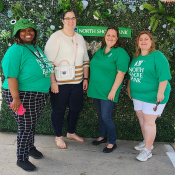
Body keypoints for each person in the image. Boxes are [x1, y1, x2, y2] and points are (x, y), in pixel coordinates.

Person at [2, 19, 53, 171]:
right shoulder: (16, 50)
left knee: (31, 124)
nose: (27, 33)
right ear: (17, 33)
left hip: (37, 95)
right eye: (23, 30)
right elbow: (11, 76)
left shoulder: (35, 48)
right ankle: (21, 158)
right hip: (21, 95)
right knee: (25, 126)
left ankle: (30, 147)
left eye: (30, 30)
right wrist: (16, 98)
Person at [44, 10, 89, 149]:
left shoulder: (80, 37)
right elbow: (48, 62)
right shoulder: (55, 37)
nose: (71, 21)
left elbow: (86, 60)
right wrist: (53, 82)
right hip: (60, 83)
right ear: (62, 20)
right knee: (59, 110)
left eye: (73, 18)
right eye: (67, 18)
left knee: (76, 108)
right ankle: (58, 136)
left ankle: (71, 132)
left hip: (77, 83)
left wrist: (85, 78)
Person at [127, 31, 171, 161]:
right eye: (141, 39)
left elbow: (164, 75)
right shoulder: (136, 57)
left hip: (153, 96)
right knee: (142, 119)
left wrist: (160, 92)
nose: (143, 41)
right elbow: (131, 75)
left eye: (147, 39)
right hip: (137, 95)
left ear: (151, 42)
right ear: (138, 43)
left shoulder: (157, 55)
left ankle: (148, 149)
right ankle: (147, 141)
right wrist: (129, 88)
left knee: (149, 121)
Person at [88, 26, 130, 153]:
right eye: (108, 35)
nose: (110, 37)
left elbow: (121, 73)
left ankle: (112, 142)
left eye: (113, 36)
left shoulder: (120, 52)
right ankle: (102, 136)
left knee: (106, 117)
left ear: (117, 38)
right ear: (105, 36)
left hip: (109, 91)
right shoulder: (100, 51)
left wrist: (113, 91)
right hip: (96, 90)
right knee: (100, 115)